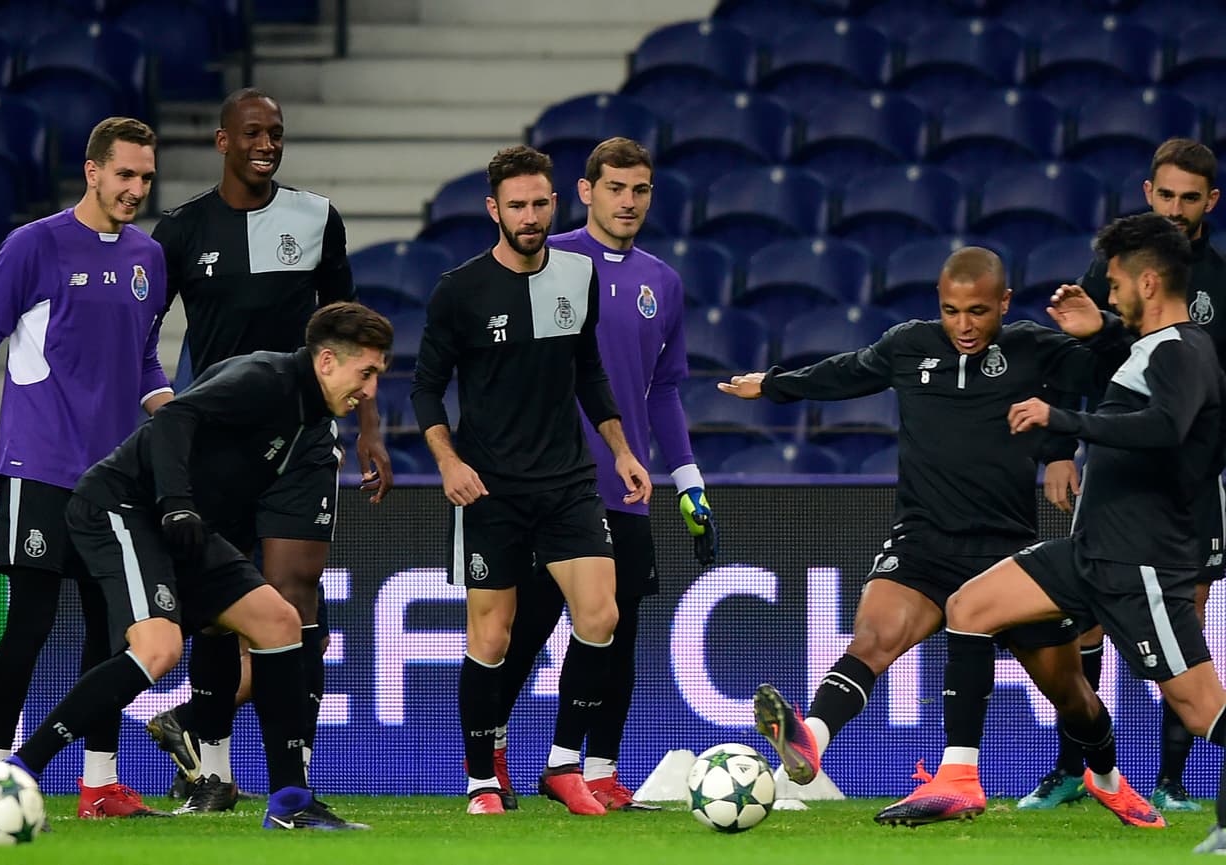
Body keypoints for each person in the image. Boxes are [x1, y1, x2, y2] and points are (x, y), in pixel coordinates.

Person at [717, 246, 1142, 822]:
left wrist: (1102, 333)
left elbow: (1118, 377)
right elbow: (845, 373)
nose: (963, 326)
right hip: (923, 540)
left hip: (1007, 552)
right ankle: (811, 737)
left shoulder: (1033, 349)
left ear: (1004, 303)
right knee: (872, 640)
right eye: (950, 311)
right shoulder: (909, 345)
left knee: (1071, 693)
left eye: (978, 311)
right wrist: (772, 385)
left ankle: (1107, 776)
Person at [874, 213, 1226, 852]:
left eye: (1116, 282)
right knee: (971, 606)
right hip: (1090, 553)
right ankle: (960, 777)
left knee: (1204, 711)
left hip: (1139, 567)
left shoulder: (1183, 350)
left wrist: (1061, 418)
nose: (1108, 291)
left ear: (1148, 283)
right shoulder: (1152, 348)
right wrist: (1099, 337)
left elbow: (1167, 426)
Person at [5, 301, 389, 831]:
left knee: (279, 623)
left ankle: (291, 804)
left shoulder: (314, 423)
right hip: (124, 505)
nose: (370, 389)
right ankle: (16, 775)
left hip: (189, 528)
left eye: (377, 376)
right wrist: (176, 503)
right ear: (326, 361)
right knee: (158, 649)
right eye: (364, 373)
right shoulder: (263, 376)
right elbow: (176, 417)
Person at [143, 87, 393, 812]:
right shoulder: (183, 230)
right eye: (253, 132)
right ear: (222, 140)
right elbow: (136, 333)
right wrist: (160, 401)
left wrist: (369, 425)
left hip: (306, 439)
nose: (268, 143)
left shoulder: (317, 218)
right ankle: (212, 771)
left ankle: (294, 776)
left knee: (292, 594)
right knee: (224, 606)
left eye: (277, 133)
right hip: (220, 444)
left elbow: (355, 335)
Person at [411, 144, 653, 816]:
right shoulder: (459, 290)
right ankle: (482, 777)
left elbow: (587, 371)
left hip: (569, 480)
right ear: (494, 209)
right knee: (492, 637)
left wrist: (622, 449)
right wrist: (449, 462)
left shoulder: (577, 275)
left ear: (556, 203)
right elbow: (426, 389)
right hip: (490, 487)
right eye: (516, 204)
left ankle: (563, 762)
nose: (530, 215)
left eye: (540, 203)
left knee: (601, 614)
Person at [0, 117, 174, 818]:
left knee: (113, 631)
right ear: (93, 170)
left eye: (146, 176)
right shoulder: (34, 244)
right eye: (125, 174)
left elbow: (142, 361)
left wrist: (180, 424)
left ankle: (99, 782)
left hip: (115, 479)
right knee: (32, 622)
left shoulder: (148, 257)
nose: (136, 188)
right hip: (37, 464)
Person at [486, 138, 714, 812]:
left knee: (620, 631)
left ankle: (599, 769)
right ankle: (488, 756)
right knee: (525, 628)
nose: (629, 201)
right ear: (585, 192)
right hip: (547, 483)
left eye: (640, 189)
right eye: (615, 187)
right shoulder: (544, 260)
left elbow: (664, 391)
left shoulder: (662, 282)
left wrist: (689, 478)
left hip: (628, 485)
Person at [1024, 138, 1226, 813]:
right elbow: (1084, 360)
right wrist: (1057, 445)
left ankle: (1172, 781)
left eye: (1189, 198)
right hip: (1121, 471)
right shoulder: (1116, 264)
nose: (1175, 208)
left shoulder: (1219, 281)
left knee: (1185, 616)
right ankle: (1073, 768)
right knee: (1081, 617)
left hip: (1195, 479)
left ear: (1210, 202)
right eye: (1165, 194)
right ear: (1148, 192)